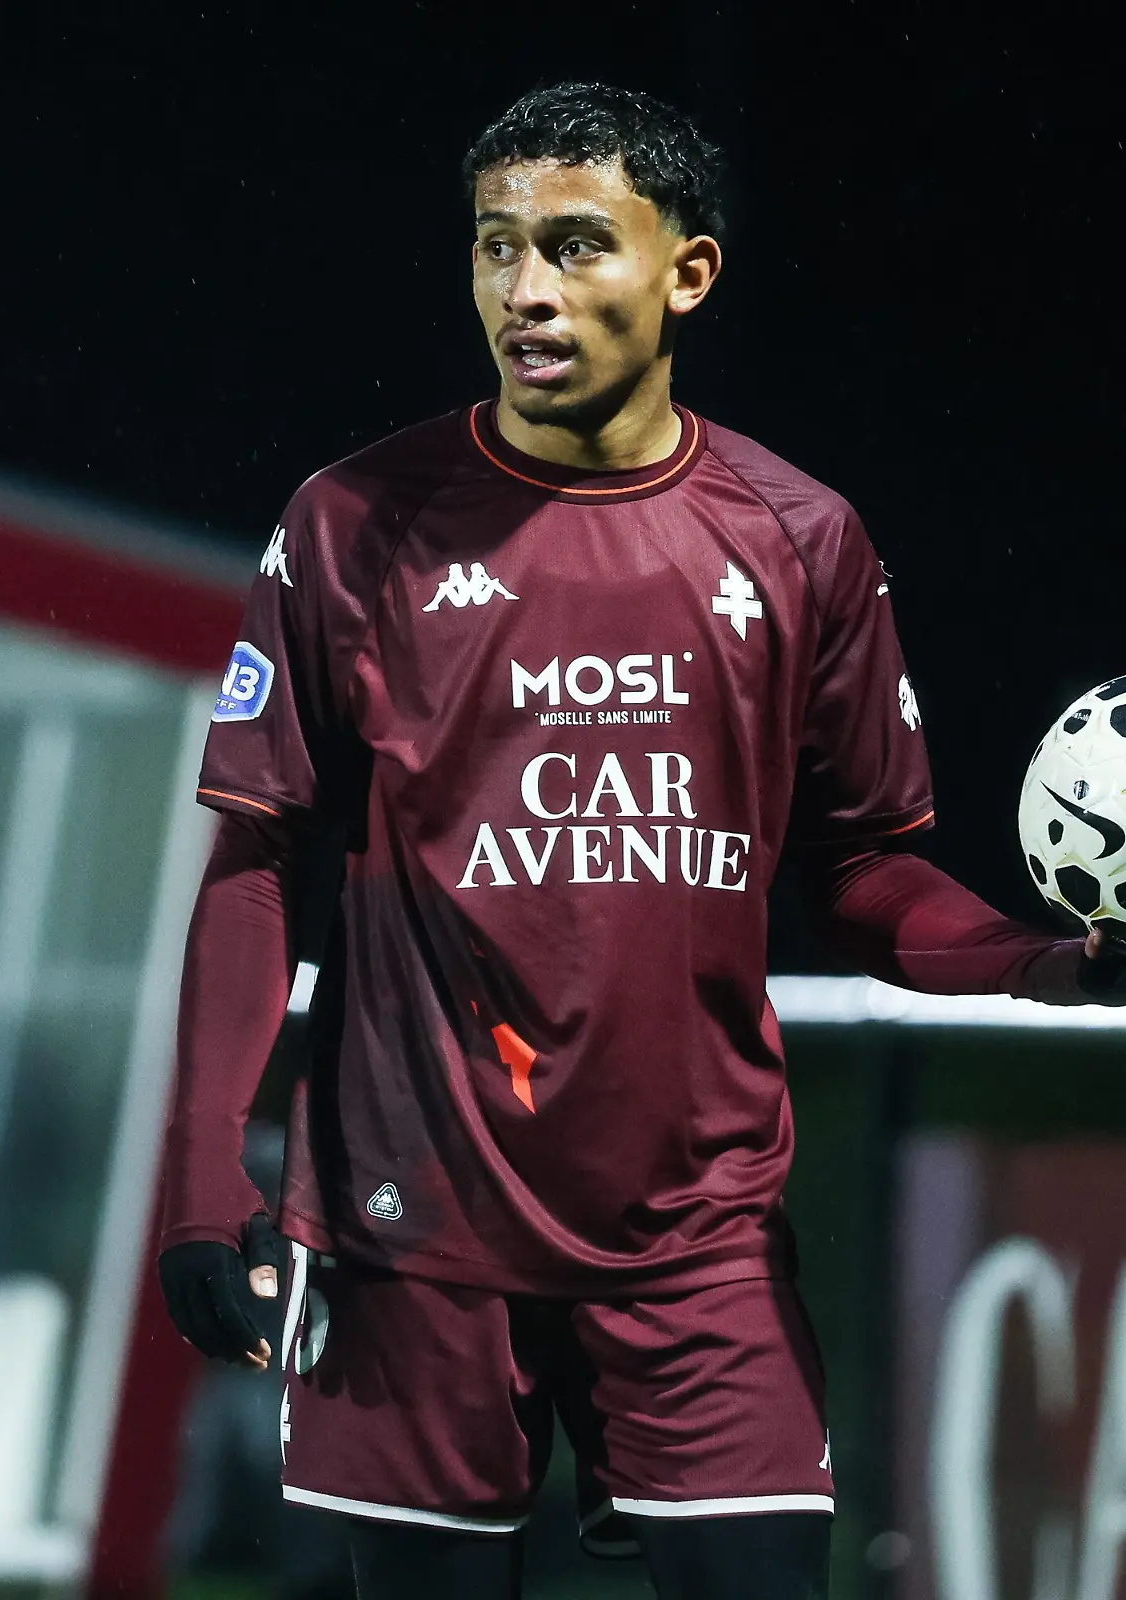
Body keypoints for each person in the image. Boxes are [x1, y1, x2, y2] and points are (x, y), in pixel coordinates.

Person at [158, 82, 1126, 1600]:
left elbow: (864, 877)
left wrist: (1049, 966)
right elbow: (254, 864)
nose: (524, 289)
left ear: (689, 272)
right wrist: (203, 1184)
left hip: (699, 1244)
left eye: (576, 244)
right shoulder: (353, 525)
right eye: (495, 246)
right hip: (415, 1240)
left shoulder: (801, 538)